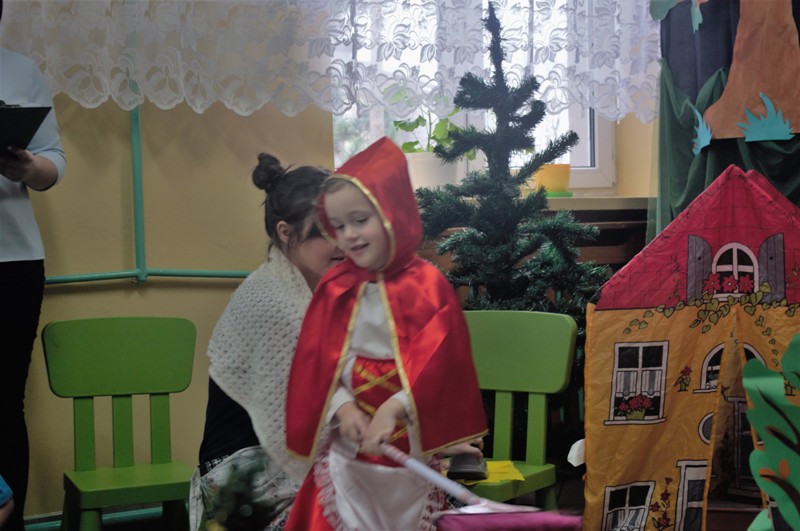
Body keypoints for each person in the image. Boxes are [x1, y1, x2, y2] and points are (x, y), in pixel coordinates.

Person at [284, 137, 487, 531]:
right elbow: (318, 365)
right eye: (339, 226)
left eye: (360, 220)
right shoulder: (335, 288)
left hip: (408, 451)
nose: (349, 235)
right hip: (348, 458)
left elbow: (438, 368)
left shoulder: (427, 287)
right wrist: (343, 408)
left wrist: (394, 408)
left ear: (393, 211)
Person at [190, 154, 342, 530]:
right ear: (286, 233)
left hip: (283, 460)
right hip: (244, 477)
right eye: (325, 231)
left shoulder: (316, 289)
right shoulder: (276, 302)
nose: (343, 241)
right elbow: (326, 412)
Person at [0, 2, 67, 528]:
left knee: (4, 404)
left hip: (14, 263)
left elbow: (53, 163)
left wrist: (28, 167)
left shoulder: (21, 70)